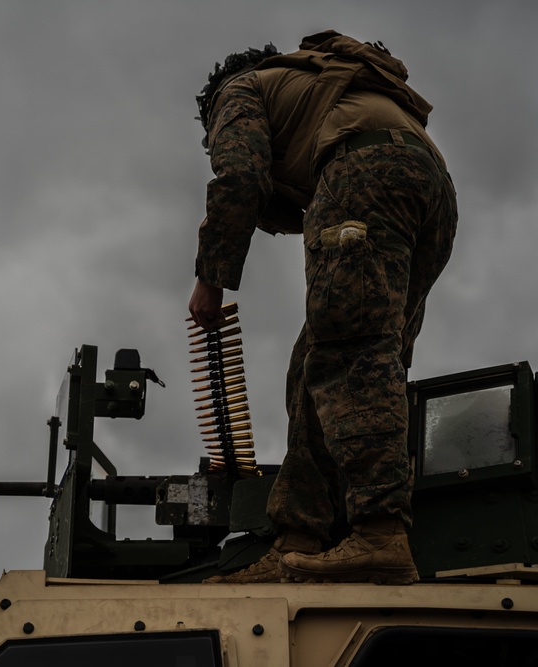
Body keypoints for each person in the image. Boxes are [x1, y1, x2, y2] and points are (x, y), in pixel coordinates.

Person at [188, 30, 457, 584]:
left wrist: (211, 281)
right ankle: (298, 542)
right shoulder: (319, 83)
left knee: (351, 356)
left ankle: (380, 533)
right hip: (431, 189)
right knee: (319, 361)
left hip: (365, 173)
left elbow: (241, 176)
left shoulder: (238, 91)